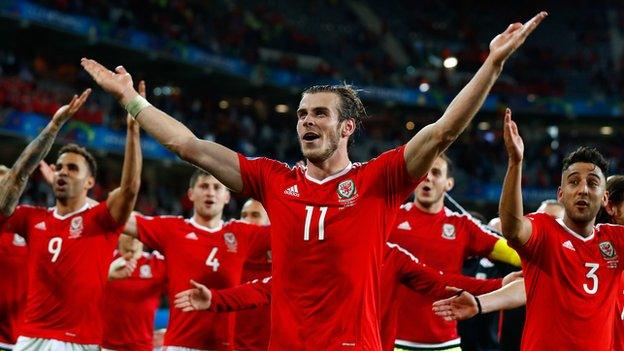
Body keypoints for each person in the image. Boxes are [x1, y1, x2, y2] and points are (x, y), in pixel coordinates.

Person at [81, 11, 546, 349]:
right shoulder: (271, 179)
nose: (307, 121)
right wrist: (131, 101)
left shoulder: (379, 180)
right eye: (302, 114)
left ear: (346, 128)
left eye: (320, 113)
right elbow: (190, 146)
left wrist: (492, 66)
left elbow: (443, 129)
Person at [174, 242, 521, 351]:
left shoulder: (392, 256)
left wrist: (498, 286)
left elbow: (440, 282)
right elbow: (269, 285)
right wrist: (216, 300)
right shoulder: (322, 252)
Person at [0, 86, 142, 350]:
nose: (63, 172)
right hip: (30, 337)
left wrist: (133, 131)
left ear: (90, 182)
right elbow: (16, 177)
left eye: (72, 168)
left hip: (80, 342)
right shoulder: (31, 219)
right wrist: (53, 127)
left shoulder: (102, 219)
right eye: (60, 167)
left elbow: (130, 189)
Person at [433, 174, 624, 351]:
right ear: (612, 207)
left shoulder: (610, 255)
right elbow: (529, 284)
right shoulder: (559, 251)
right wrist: (480, 302)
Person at [500, 108, 624, 350]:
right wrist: (515, 163)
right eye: (574, 182)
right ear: (560, 194)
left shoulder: (616, 241)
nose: (583, 189)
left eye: (592, 183)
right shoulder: (543, 230)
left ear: (605, 197)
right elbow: (512, 228)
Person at [122, 171, 270, 351]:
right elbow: (119, 219)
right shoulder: (172, 230)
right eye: (204, 186)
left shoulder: (242, 235)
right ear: (191, 194)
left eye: (217, 187)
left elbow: (295, 230)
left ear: (226, 197)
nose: (210, 192)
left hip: (222, 346)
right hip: (180, 344)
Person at [389, 155, 520, 350]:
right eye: (423, 171)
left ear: (448, 183)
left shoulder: (462, 226)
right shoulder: (390, 219)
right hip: (393, 341)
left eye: (435, 172)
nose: (427, 178)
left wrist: (555, 259)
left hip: (446, 343)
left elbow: (513, 254)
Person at [0, 91, 90, 351]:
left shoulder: (31, 223)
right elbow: (18, 173)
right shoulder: (11, 221)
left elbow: (20, 173)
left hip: (25, 338)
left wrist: (54, 126)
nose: (6, 187)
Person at [101, 234, 166, 351]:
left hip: (142, 347)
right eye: (128, 232)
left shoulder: (158, 263)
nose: (134, 237)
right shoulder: (103, 259)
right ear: (119, 234)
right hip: (104, 345)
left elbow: (182, 294)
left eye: (137, 232)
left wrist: (172, 333)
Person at [236, 199, 271, 351]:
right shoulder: (229, 262)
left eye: (255, 215)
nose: (247, 221)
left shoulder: (288, 264)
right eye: (244, 216)